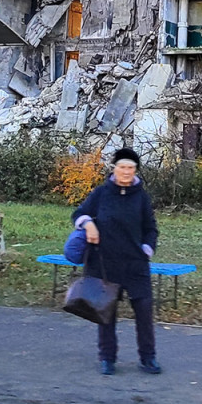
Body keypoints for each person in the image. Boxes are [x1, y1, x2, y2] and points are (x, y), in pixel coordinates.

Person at [73, 147, 160, 376]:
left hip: (135, 265)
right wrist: (88, 224)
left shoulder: (141, 197)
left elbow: (151, 229)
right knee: (106, 312)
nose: (126, 172)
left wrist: (146, 249)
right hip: (104, 263)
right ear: (114, 169)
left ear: (136, 171)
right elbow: (79, 214)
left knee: (143, 310)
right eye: (122, 167)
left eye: (130, 168)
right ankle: (107, 358)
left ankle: (148, 358)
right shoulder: (101, 193)